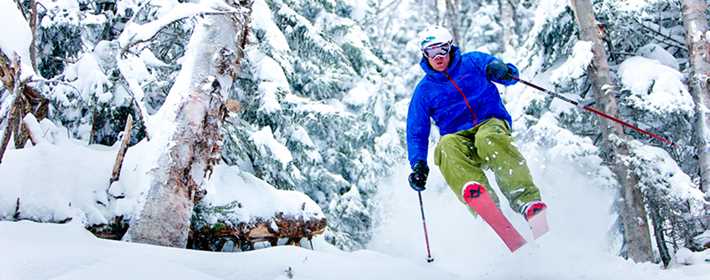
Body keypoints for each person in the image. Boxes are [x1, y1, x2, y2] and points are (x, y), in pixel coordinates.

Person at [406, 26, 546, 220]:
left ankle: (525, 198)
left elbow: (510, 77)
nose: (437, 56)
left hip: (490, 122)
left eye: (442, 50)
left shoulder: (473, 62)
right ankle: (483, 202)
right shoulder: (424, 91)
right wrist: (418, 164)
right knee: (445, 146)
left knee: (487, 138)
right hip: (459, 138)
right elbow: (416, 131)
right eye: (431, 51)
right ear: (424, 55)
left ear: (450, 47)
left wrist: (502, 71)